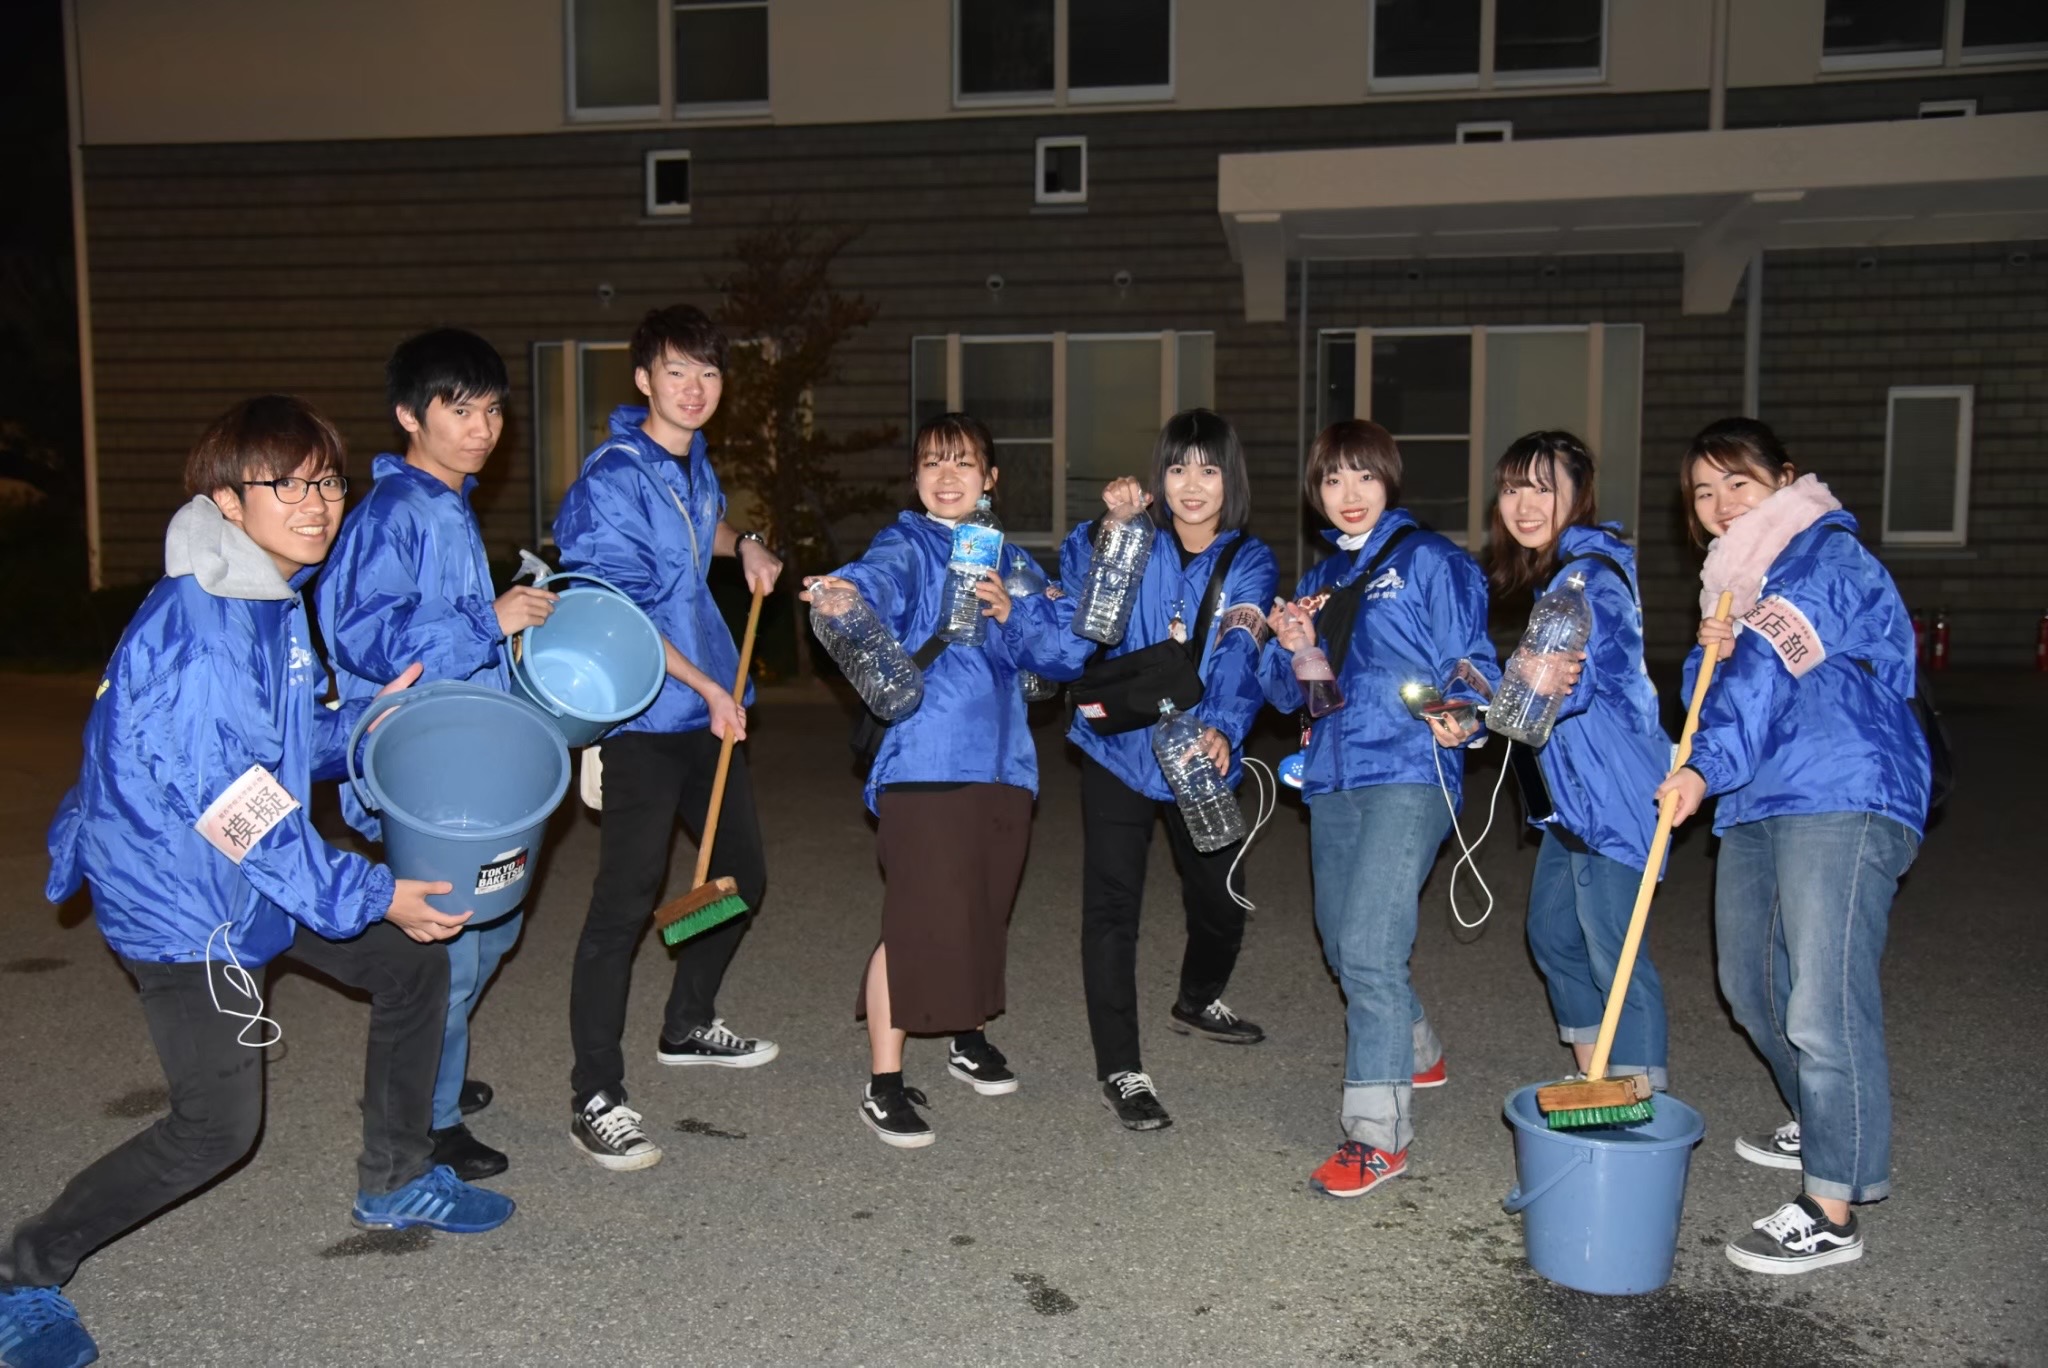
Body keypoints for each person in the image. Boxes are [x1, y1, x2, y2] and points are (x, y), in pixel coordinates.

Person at [0, 396, 511, 1368]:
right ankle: (20, 1274)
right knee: (215, 1128)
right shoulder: (202, 629)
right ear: (228, 502)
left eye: (327, 481)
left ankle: (396, 1177)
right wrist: (371, 892)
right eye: (287, 484)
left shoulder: (265, 595)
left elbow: (279, 743)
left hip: (247, 875)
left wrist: (364, 722)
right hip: (182, 902)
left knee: (409, 965)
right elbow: (238, 805)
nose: (316, 503)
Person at [1655, 417, 1929, 1275]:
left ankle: (1833, 1203)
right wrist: (1709, 660)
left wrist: (1702, 768)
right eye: (1703, 492)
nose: (1720, 504)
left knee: (1823, 1000)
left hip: (1844, 789)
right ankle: (1823, 1118)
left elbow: (1769, 672)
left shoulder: (1825, 557)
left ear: (1784, 478)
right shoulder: (1736, 582)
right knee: (1749, 983)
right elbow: (1722, 694)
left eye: (1738, 482)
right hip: (1760, 796)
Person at [316, 328, 558, 1182]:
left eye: (492, 410)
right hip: (419, 762)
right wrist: (488, 620)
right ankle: (430, 1118)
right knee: (451, 945)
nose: (482, 428)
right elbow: (365, 635)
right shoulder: (393, 513)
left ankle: (433, 1065)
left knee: (496, 923)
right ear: (409, 415)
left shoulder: (447, 503)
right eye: (460, 410)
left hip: (465, 755)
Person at [552, 305, 781, 1172]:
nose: (695, 388)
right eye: (677, 371)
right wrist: (710, 688)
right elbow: (617, 614)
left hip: (702, 708)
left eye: (709, 373)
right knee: (624, 904)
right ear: (644, 378)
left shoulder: (691, 462)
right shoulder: (612, 479)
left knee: (741, 873)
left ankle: (686, 1020)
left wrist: (744, 542)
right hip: (642, 717)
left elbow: (702, 525)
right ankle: (595, 1094)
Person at [801, 413, 1072, 1148]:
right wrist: (841, 593)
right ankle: (884, 1082)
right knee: (919, 919)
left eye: (962, 463)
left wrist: (1018, 611)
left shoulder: (1013, 559)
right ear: (916, 476)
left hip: (1006, 764)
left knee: (982, 909)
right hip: (926, 759)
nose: (946, 476)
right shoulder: (908, 544)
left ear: (990, 478)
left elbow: (1056, 656)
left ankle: (966, 1036)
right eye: (931, 463)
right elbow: (874, 580)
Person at [1262, 419, 1497, 1200]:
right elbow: (1302, 697)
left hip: (1409, 767)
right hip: (1333, 773)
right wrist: (1295, 646)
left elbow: (1471, 659)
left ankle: (1376, 1137)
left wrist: (1466, 711)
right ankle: (1417, 1050)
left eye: (1363, 475)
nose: (1349, 493)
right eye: (1332, 479)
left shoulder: (1430, 559)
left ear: (1389, 480)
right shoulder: (1325, 575)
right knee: (1342, 941)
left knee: (1368, 946)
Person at [1053, 409, 1279, 1133]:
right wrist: (1108, 529)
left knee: (1221, 899)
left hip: (1198, 748)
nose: (1192, 485)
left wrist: (1226, 727)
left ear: (1230, 480)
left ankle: (1198, 997)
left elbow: (1242, 645)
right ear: (1160, 477)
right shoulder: (1136, 538)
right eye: (1178, 468)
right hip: (1118, 747)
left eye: (1209, 470)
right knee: (1111, 908)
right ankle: (1121, 1067)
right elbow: (1076, 585)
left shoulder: (1250, 559)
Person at [1488, 431, 1673, 1094]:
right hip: (1573, 798)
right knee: (1552, 934)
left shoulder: (1588, 578)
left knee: (1614, 954)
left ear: (1580, 494)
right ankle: (1596, 1082)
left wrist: (1564, 682)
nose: (1524, 505)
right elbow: (1534, 687)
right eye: (1513, 489)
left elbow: (1588, 672)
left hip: (1615, 795)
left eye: (1544, 488)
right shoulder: (1563, 576)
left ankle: (1639, 1103)